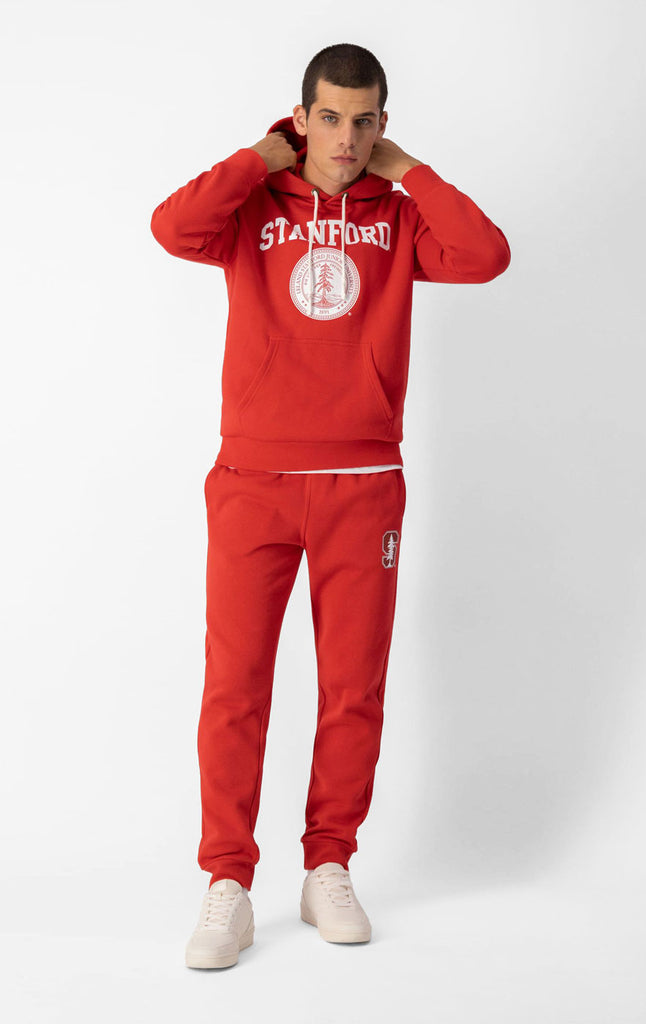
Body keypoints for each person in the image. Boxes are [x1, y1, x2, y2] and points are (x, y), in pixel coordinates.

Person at [150, 42, 510, 970]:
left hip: (363, 483)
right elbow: (172, 228)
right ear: (301, 115)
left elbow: (486, 255)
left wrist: (411, 171)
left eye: (364, 121)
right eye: (330, 118)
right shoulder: (251, 207)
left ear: (382, 124)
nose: (346, 138)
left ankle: (328, 866)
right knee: (236, 687)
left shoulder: (399, 213)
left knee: (353, 686)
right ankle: (228, 881)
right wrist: (254, 159)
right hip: (253, 481)